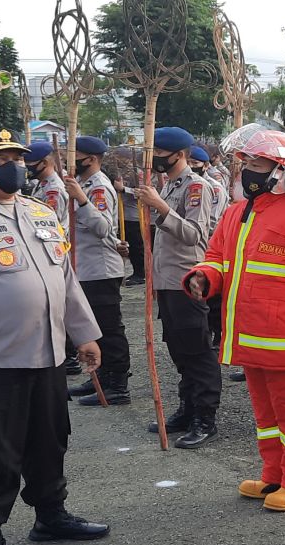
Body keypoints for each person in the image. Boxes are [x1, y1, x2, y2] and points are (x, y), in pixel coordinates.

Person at [0, 127, 109, 545]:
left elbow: (66, 278)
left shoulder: (39, 212)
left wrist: (85, 334)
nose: (14, 165)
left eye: (17, 156)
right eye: (2, 158)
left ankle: (51, 515)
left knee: (49, 440)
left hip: (48, 354)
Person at [185, 126, 285, 511]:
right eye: (245, 163)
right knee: (268, 415)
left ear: (280, 171)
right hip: (252, 336)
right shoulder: (238, 212)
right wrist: (204, 277)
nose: (247, 171)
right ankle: (275, 474)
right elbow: (218, 256)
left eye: (256, 163)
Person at [136, 126, 222, 448]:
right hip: (166, 281)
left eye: (160, 153)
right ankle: (187, 408)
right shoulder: (170, 185)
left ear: (180, 154)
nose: (156, 159)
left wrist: (161, 207)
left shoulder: (197, 187)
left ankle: (205, 416)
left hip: (188, 280)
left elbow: (194, 235)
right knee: (178, 349)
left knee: (197, 350)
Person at [61, 136, 132, 407]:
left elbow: (103, 228)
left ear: (90, 159)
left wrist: (81, 200)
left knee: (109, 329)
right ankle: (100, 378)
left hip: (100, 269)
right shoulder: (83, 184)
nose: (71, 160)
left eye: (75, 155)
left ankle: (117, 384)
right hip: (85, 269)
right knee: (94, 329)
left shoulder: (98, 187)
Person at [189, 145, 228, 350]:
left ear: (205, 165)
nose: (191, 167)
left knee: (214, 298)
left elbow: (211, 221)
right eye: (189, 163)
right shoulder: (188, 186)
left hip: (211, 244)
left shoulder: (215, 187)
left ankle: (219, 336)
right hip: (196, 246)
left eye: (195, 164)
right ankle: (210, 333)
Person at [112, 147, 147, 285]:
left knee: (136, 247)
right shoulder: (116, 173)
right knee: (122, 246)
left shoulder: (136, 173)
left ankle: (140, 273)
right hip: (119, 215)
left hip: (134, 215)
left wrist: (123, 189)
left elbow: (141, 192)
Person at [23, 142, 68, 221]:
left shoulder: (53, 190)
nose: (26, 166)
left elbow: (52, 222)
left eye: (29, 162)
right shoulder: (41, 183)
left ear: (44, 163)